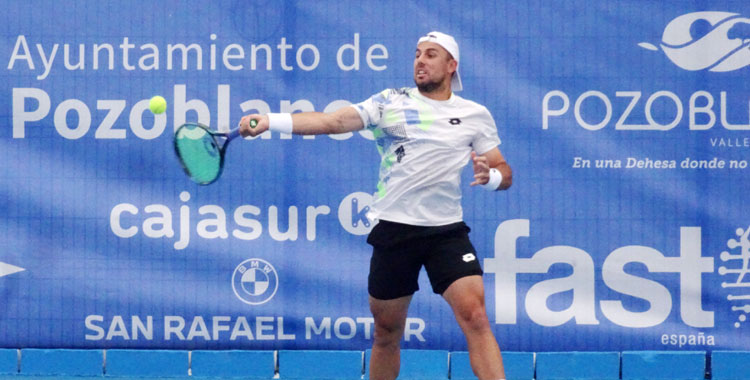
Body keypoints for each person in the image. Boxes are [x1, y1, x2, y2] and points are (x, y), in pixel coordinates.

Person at [239, 31, 511, 380]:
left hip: (447, 233)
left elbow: (504, 170)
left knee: (475, 316)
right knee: (386, 333)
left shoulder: (474, 114)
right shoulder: (390, 102)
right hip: (394, 230)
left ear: (451, 65)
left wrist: (490, 177)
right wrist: (270, 121)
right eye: (417, 54)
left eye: (431, 54)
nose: (420, 61)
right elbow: (333, 121)